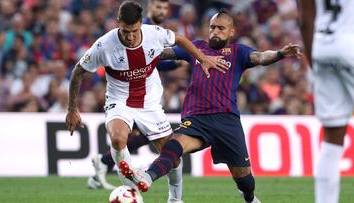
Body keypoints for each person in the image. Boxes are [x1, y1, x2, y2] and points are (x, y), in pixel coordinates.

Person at [118, 10, 301, 203]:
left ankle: (249, 197)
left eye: (221, 28)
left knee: (246, 182)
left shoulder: (239, 52)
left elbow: (262, 57)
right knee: (172, 147)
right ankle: (146, 177)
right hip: (196, 119)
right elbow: (164, 54)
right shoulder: (196, 47)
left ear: (231, 32)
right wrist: (136, 50)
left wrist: (281, 53)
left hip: (227, 121)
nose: (215, 31)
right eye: (212, 27)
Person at [65, 1, 227, 203]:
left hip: (150, 103)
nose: (130, 36)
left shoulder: (154, 33)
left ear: (141, 23)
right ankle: (131, 191)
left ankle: (175, 199)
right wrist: (72, 109)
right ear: (118, 24)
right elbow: (77, 72)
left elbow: (179, 39)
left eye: (134, 31)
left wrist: (202, 58)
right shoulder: (103, 46)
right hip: (119, 101)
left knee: (172, 153)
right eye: (125, 31)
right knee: (117, 139)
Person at [86, 0, 181, 192]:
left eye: (164, 8)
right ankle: (112, 168)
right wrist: (176, 62)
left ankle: (104, 163)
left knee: (144, 136)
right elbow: (144, 61)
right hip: (128, 95)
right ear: (150, 8)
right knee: (140, 136)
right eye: (158, 7)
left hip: (149, 94)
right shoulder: (136, 28)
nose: (161, 11)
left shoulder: (159, 31)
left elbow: (151, 58)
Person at [297, 1, 354, 203]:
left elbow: (304, 18)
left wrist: (315, 62)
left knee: (332, 137)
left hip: (322, 47)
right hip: (351, 43)